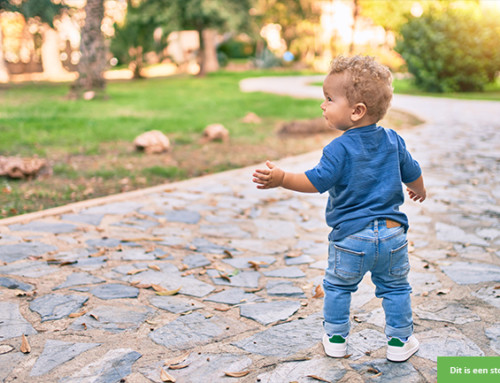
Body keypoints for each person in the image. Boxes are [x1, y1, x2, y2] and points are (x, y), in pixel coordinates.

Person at [252, 55, 426, 362]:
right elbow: (412, 171)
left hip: (351, 239)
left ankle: (335, 338)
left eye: (329, 99)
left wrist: (281, 178)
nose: (323, 105)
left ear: (357, 111)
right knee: (396, 288)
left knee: (337, 287)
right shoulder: (393, 140)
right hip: (392, 235)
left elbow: (315, 181)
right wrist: (418, 190)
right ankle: (399, 342)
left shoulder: (338, 149)